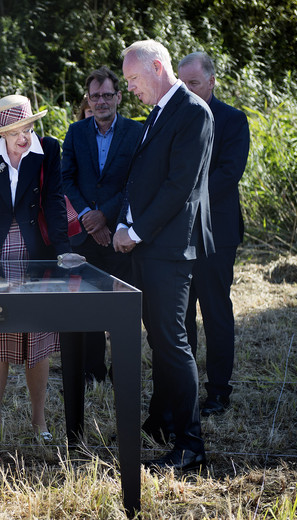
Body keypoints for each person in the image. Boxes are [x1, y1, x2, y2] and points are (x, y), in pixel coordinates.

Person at [0, 95, 84, 444]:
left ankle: (39, 421)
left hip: (35, 252)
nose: (23, 137)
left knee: (36, 337)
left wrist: (64, 250)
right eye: (14, 131)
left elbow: (55, 202)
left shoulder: (49, 150)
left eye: (27, 128)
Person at [114, 40, 214, 470]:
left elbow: (180, 187)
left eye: (134, 80)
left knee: (173, 344)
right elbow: (139, 180)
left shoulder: (193, 112)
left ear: (157, 67)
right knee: (158, 339)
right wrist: (122, 221)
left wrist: (135, 231)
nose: (131, 89)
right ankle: (164, 421)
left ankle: (190, 446)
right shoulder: (157, 113)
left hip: (169, 250)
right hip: (146, 247)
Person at [60, 66, 142, 443]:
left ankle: (120, 368)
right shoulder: (76, 132)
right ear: (87, 101)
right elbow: (66, 179)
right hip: (85, 238)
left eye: (108, 95)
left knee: (121, 304)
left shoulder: (136, 131)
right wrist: (90, 219)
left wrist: (106, 216)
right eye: (95, 97)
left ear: (118, 97)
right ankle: (91, 370)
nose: (102, 102)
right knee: (86, 306)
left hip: (121, 234)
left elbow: (134, 182)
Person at [178, 52, 250, 417]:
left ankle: (218, 392)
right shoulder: (175, 117)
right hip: (177, 234)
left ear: (211, 82)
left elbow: (228, 174)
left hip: (215, 233)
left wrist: (182, 196)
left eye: (193, 83)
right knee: (181, 314)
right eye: (182, 83)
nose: (186, 89)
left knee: (216, 312)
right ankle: (185, 389)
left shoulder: (233, 120)